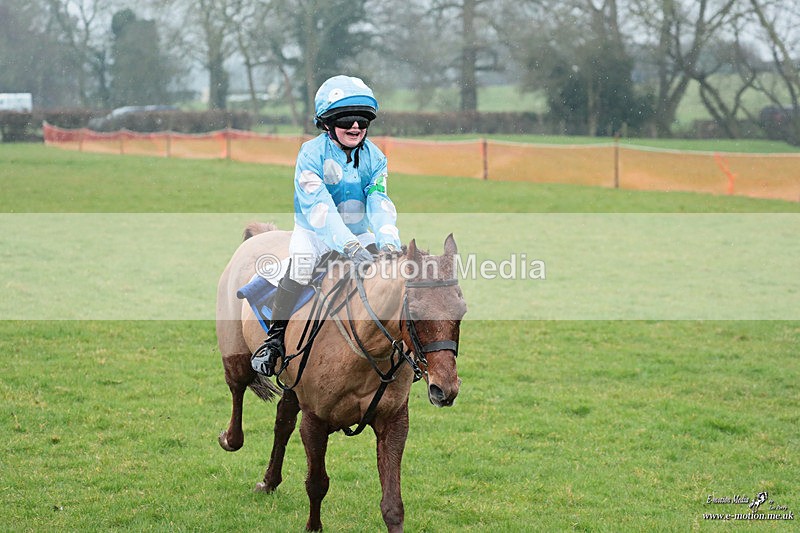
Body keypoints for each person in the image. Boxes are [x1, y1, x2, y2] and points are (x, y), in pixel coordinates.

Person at [252, 75, 402, 376]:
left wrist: (388, 244)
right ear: (328, 123)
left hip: (360, 233)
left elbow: (379, 202)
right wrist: (349, 247)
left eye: (362, 119)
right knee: (302, 265)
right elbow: (320, 209)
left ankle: (398, 348)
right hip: (314, 232)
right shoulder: (310, 154)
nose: (356, 126)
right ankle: (274, 341)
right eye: (347, 118)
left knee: (390, 275)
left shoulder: (376, 157)